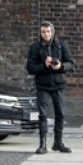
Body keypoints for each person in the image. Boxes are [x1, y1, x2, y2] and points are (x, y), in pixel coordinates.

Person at [26, 21, 74, 154]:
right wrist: (44, 65)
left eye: (48, 31)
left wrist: (60, 66)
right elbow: (30, 68)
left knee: (60, 114)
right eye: (43, 32)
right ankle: (43, 144)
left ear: (52, 31)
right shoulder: (35, 47)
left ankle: (58, 143)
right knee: (42, 115)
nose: (46, 34)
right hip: (43, 86)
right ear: (40, 33)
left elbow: (70, 63)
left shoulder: (61, 45)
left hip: (59, 85)